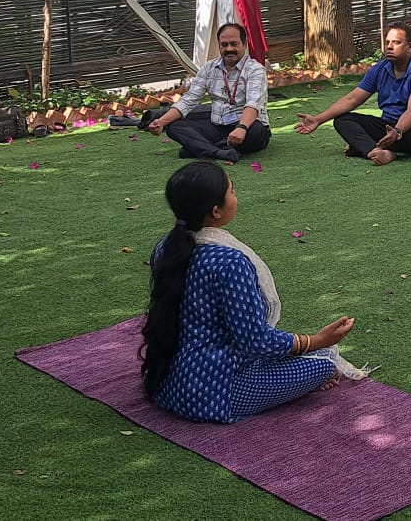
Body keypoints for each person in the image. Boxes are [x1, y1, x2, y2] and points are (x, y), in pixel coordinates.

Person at [140, 162, 364, 423]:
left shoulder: (166, 246)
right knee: (325, 362)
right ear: (215, 211)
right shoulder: (230, 261)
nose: (236, 196)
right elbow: (256, 341)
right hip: (216, 393)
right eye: (232, 191)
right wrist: (316, 341)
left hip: (165, 381)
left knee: (305, 355)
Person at [294, 21, 411, 165]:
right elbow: (352, 99)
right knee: (343, 121)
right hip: (388, 126)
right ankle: (378, 151)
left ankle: (372, 148)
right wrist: (318, 120)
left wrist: (397, 132)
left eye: (396, 42)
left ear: (410, 47)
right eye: (387, 42)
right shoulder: (380, 69)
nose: (389, 47)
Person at [147, 23, 271, 164]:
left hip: (247, 126)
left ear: (244, 44)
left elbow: (253, 104)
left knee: (255, 130)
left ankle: (200, 148)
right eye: (224, 45)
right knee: (174, 126)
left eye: (234, 44)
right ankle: (219, 152)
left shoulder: (256, 70)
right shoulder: (209, 68)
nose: (229, 49)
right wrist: (161, 122)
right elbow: (189, 100)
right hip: (218, 126)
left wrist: (241, 128)